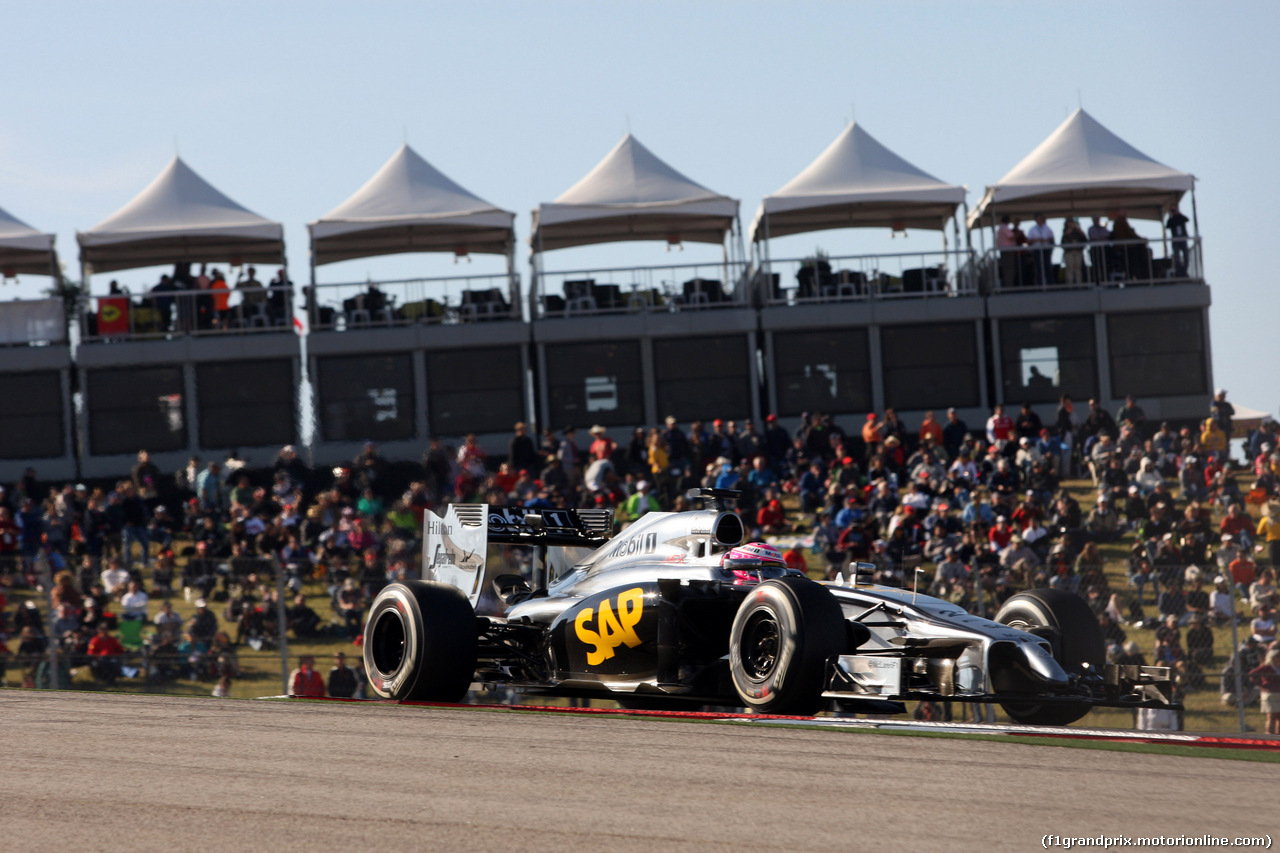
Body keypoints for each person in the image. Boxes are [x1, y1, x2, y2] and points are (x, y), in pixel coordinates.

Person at [1248, 648, 1280, 734]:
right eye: (1277, 656)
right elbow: (1252, 674)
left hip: (1279, 693)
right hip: (1270, 693)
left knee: (1279, 717)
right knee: (1271, 716)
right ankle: (1269, 736)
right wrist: (1261, 685)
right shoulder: (1266, 667)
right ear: (1271, 657)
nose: (1279, 658)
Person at [1026, 214, 1055, 286]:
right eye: (1039, 218)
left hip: (1046, 249)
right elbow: (1028, 240)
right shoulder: (1032, 229)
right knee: (1039, 267)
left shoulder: (1047, 228)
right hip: (1037, 250)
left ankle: (1050, 284)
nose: (1040, 220)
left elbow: (1052, 238)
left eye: (1041, 218)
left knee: (1047, 266)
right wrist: (1037, 240)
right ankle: (1039, 284)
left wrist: (1046, 240)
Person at [1060, 216, 1087, 284]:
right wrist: (1069, 231)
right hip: (1069, 252)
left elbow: (1085, 240)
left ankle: (1079, 284)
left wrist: (1080, 230)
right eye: (1069, 222)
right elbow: (1063, 242)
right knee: (1070, 269)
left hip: (1078, 252)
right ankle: (1070, 285)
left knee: (1078, 269)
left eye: (1072, 222)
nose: (1071, 223)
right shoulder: (1065, 231)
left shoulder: (1078, 231)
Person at [1166, 203, 1191, 277]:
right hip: (1175, 241)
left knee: (1186, 256)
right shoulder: (1171, 219)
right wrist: (1170, 216)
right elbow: (1168, 226)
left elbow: (1186, 219)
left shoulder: (1181, 218)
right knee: (1177, 257)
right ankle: (1179, 272)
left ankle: (1184, 271)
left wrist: (1178, 213)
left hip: (1183, 240)